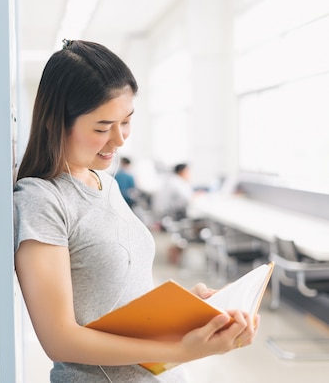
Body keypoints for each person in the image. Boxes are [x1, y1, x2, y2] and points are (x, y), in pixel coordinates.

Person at [13, 40, 258, 382]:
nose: (119, 140)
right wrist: (179, 351)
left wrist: (190, 311)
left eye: (126, 121)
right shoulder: (42, 200)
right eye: (102, 127)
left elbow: (122, 296)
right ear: (56, 122)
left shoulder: (106, 183)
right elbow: (60, 339)